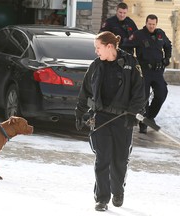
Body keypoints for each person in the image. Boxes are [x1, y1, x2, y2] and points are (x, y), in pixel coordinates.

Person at [75, 31, 145, 211]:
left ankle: (118, 191)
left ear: (110, 47)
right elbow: (85, 92)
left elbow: (139, 93)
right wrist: (80, 113)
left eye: (98, 48)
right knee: (102, 158)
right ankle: (102, 198)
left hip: (123, 119)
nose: (96, 52)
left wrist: (132, 113)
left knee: (119, 160)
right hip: (101, 117)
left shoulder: (130, 63)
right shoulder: (96, 65)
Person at [123, 14, 172, 134]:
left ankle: (150, 117)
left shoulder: (160, 34)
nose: (151, 26)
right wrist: (131, 61)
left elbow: (168, 45)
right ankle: (143, 122)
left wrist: (167, 58)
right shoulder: (138, 35)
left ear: (156, 24)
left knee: (162, 94)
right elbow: (125, 46)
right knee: (143, 98)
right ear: (146, 23)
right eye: (149, 24)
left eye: (154, 24)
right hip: (144, 71)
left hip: (157, 71)